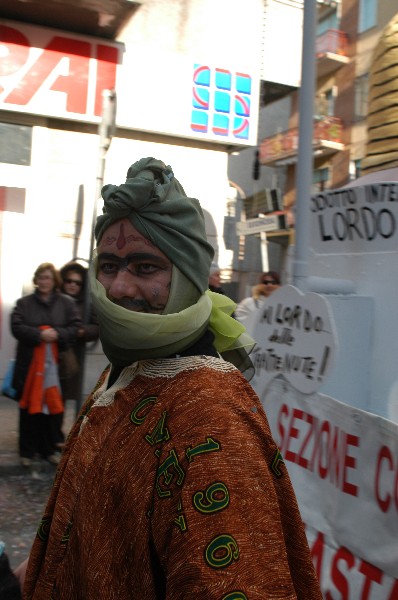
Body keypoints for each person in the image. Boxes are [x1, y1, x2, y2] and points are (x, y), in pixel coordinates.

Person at [18, 159, 322, 599]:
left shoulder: (210, 415)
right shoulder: (122, 373)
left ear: (187, 276)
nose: (119, 287)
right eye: (108, 266)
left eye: (145, 268)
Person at [10, 262, 82, 467]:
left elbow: (75, 327)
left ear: (54, 281)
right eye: (41, 278)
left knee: (53, 409)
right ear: (36, 280)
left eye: (48, 278)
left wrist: (57, 334)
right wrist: (39, 334)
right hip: (30, 365)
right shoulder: (24, 303)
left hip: (56, 367)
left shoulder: (66, 303)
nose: (44, 282)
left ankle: (48, 450)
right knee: (28, 409)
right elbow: (16, 326)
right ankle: (27, 451)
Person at [59, 260, 100, 401]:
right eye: (69, 281)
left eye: (77, 283)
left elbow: (97, 327)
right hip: (48, 356)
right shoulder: (53, 299)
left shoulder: (86, 304)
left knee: (60, 400)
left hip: (71, 355)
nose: (72, 285)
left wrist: (83, 331)